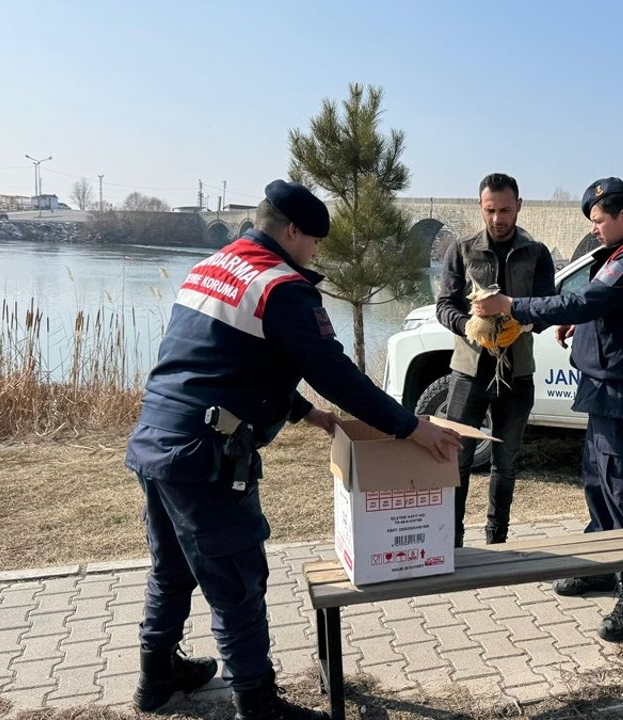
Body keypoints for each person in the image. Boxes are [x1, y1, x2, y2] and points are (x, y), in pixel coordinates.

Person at [124, 180, 462, 720]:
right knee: (237, 579)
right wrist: (407, 426)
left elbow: (231, 359)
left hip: (156, 442)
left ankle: (155, 675)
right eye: (314, 243)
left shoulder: (214, 267)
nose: (315, 254)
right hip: (204, 455)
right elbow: (334, 370)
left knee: (173, 567)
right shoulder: (281, 286)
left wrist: (308, 414)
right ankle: (257, 704)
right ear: (293, 231)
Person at [472, 177, 623, 641]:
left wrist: (514, 305)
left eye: (599, 221)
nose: (596, 230)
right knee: (598, 482)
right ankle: (603, 566)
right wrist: (577, 328)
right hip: (608, 384)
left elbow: (589, 299)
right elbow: (605, 312)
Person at [435, 173, 556, 547]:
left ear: (519, 205)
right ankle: (451, 542)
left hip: (517, 373)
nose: (498, 219)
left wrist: (523, 323)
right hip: (468, 372)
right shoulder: (461, 248)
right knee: (456, 460)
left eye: (505, 210)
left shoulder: (537, 253)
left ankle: (496, 540)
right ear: (480, 207)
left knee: (505, 463)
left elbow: (548, 308)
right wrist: (468, 326)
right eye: (490, 210)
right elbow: (444, 306)